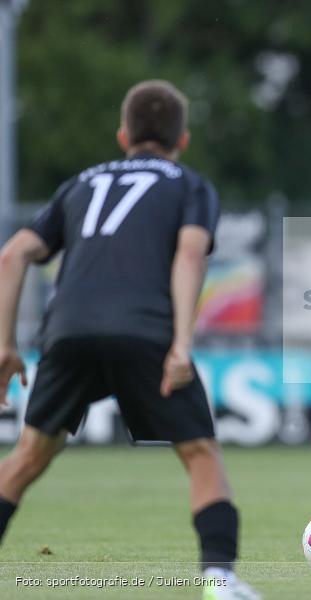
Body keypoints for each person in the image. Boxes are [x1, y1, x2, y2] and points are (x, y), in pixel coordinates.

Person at [0, 80, 259, 600]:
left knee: (28, 456)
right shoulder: (189, 184)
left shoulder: (80, 184)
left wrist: (4, 347)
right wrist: (181, 344)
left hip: (67, 331)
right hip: (144, 330)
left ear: (123, 135)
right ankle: (218, 580)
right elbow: (189, 256)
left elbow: (12, 255)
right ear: (181, 139)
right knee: (201, 453)